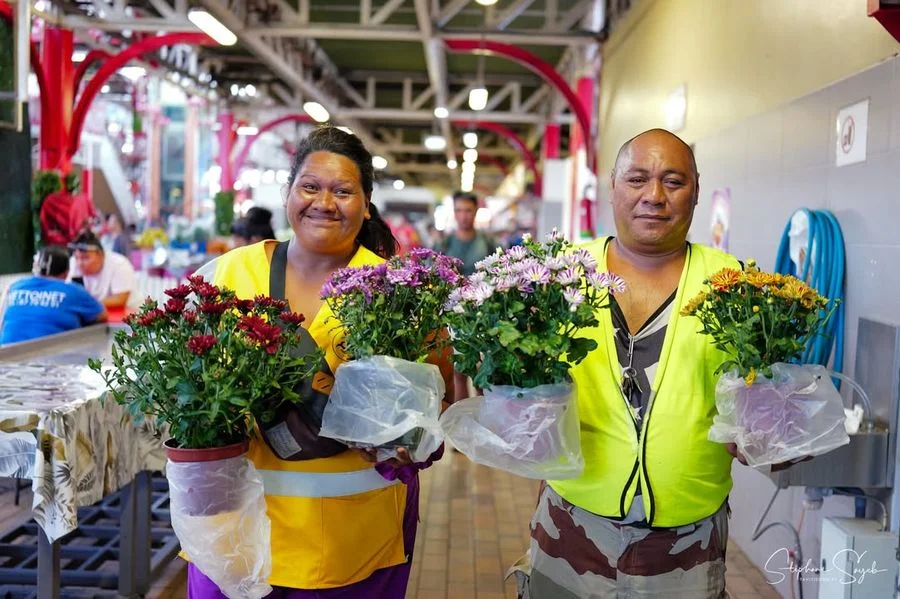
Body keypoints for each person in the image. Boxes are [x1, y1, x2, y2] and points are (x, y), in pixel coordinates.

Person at [514, 129, 803, 598]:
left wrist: (771, 434)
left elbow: (768, 402)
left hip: (688, 537)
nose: (653, 196)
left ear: (696, 192)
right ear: (612, 186)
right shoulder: (560, 276)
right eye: (637, 179)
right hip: (571, 522)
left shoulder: (735, 286)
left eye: (673, 181)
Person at [190, 126, 453, 598]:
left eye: (343, 191)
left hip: (350, 543)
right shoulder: (229, 273)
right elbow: (181, 382)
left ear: (366, 203)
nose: (324, 203)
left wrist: (411, 440)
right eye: (310, 186)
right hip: (237, 537)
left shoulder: (397, 289)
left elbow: (433, 411)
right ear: (290, 192)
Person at [437, 191, 499, 403]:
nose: (463, 215)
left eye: (468, 210)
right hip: (454, 315)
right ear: (454, 212)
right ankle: (461, 418)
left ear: (476, 211)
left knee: (485, 371)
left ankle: (486, 417)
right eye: (459, 210)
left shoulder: (489, 243)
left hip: (484, 314)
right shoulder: (443, 245)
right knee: (459, 370)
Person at [0, 246, 106, 345]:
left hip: (6, 355)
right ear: (66, 273)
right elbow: (102, 316)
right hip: (50, 358)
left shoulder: (16, 286)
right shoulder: (73, 291)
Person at [69, 231, 140, 310]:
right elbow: (70, 292)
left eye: (85, 258)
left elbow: (120, 299)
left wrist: (86, 303)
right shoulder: (73, 262)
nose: (79, 263)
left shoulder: (119, 264)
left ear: (100, 254)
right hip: (96, 312)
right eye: (76, 257)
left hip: (129, 313)